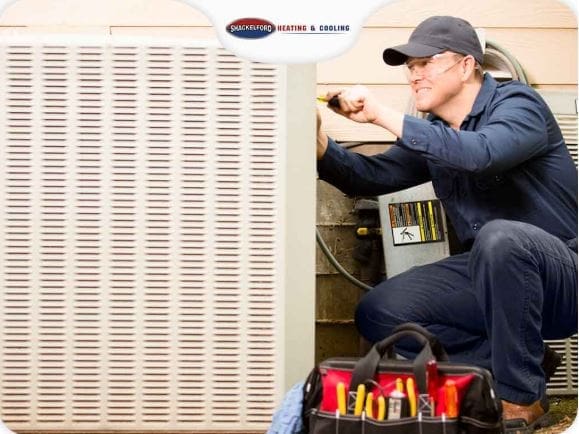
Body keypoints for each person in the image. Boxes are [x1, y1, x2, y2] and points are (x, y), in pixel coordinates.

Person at [316, 15, 577, 432]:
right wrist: (322, 147)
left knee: (499, 237)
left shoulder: (519, 105)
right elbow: (373, 176)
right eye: (411, 67)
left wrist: (380, 114)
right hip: (489, 274)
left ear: (467, 65)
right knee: (381, 310)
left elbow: (482, 154)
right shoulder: (438, 130)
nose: (415, 75)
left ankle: (522, 400)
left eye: (427, 62)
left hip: (563, 276)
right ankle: (512, 365)